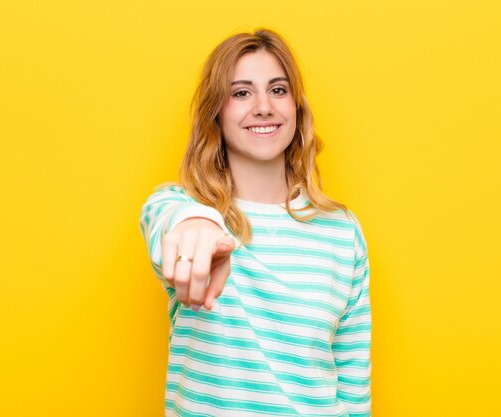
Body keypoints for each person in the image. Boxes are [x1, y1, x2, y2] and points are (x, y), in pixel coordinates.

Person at [140, 28, 371, 417]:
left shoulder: (342, 231)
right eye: (241, 93)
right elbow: (165, 218)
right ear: (216, 111)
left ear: (297, 107)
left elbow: (353, 382)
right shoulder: (182, 211)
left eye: (278, 90)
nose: (263, 106)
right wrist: (198, 223)